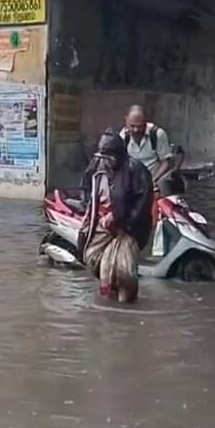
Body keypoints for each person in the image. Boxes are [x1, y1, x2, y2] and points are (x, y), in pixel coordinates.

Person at [79, 132, 154, 302]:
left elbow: (143, 204)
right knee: (93, 258)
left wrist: (120, 219)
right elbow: (86, 190)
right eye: (103, 158)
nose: (106, 162)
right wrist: (92, 215)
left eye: (110, 158)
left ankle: (124, 308)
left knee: (124, 273)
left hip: (128, 229)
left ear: (119, 155)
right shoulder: (97, 167)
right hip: (101, 225)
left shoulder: (135, 170)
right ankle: (109, 301)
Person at [120, 105, 176, 189]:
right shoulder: (123, 137)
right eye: (132, 126)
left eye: (140, 126)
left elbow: (166, 162)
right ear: (126, 121)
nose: (136, 130)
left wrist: (154, 180)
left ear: (146, 122)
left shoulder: (157, 134)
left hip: (155, 181)